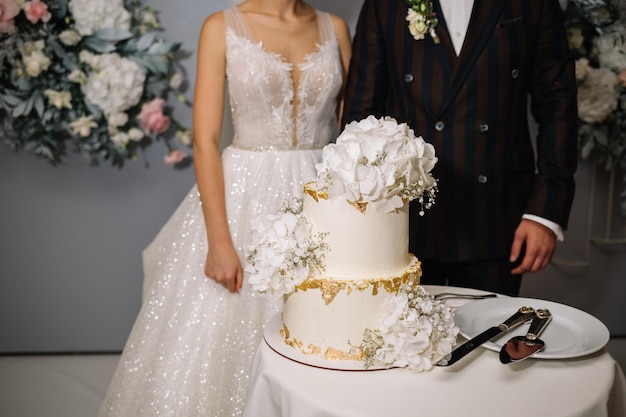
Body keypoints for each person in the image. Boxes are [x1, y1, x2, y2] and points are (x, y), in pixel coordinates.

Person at [98, 1, 351, 416]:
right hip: (245, 197)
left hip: (322, 196)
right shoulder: (222, 27)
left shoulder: (334, 27)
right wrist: (219, 241)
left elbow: (348, 126)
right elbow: (204, 141)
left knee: (322, 327)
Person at [342, 0, 578, 296]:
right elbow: (361, 117)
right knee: (401, 339)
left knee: (489, 337)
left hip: (497, 212)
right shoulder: (384, 4)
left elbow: (558, 106)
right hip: (401, 216)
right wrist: (359, 212)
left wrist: (545, 212)